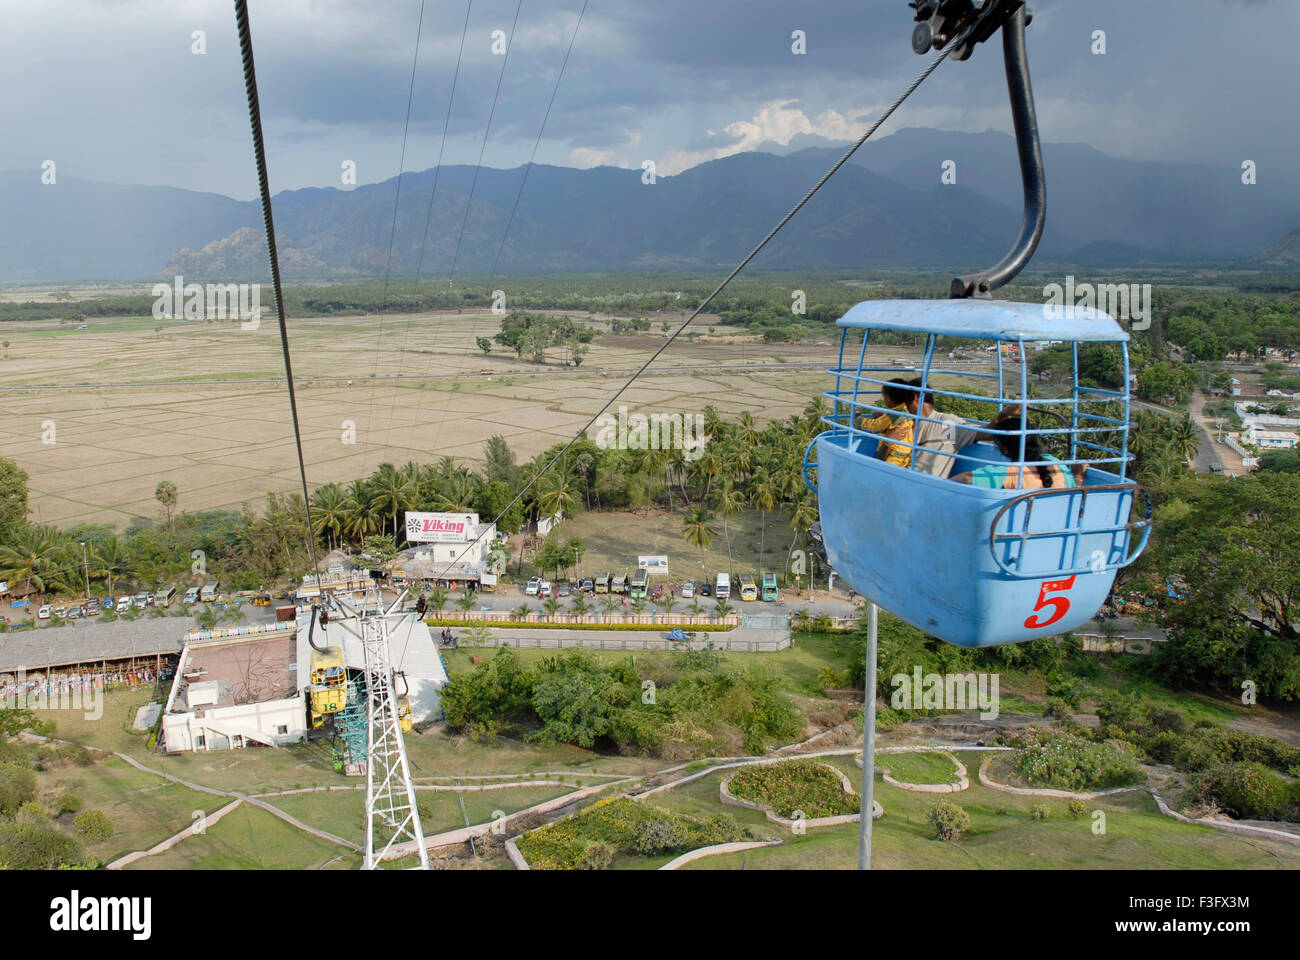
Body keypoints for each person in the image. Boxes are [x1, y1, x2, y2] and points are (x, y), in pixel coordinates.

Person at [951, 413, 1076, 490]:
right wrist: (1079, 476)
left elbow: (966, 478)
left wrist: (937, 486)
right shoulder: (1058, 465)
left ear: (1004, 450)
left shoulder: (947, 424)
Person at [859, 378, 916, 468]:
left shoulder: (890, 416)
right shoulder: (907, 411)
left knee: (885, 472)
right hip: (906, 453)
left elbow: (876, 426)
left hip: (894, 455)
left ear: (888, 398)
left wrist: (860, 421)